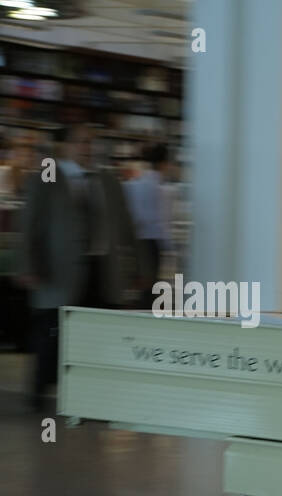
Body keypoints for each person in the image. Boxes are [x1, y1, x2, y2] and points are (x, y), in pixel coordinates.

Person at [18, 124, 139, 408]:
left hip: (100, 270)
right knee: (51, 335)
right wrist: (27, 265)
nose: (88, 148)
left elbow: (125, 227)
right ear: (67, 146)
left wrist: (136, 270)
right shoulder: (48, 176)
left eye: (92, 143)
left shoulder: (107, 180)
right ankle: (38, 392)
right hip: (58, 271)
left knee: (97, 334)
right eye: (82, 142)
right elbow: (29, 224)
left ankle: (90, 395)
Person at [125, 142, 171, 300]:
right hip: (154, 242)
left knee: (143, 284)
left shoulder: (136, 183)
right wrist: (168, 246)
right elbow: (162, 219)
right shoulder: (161, 188)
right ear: (164, 163)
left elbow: (133, 213)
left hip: (139, 239)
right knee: (151, 287)